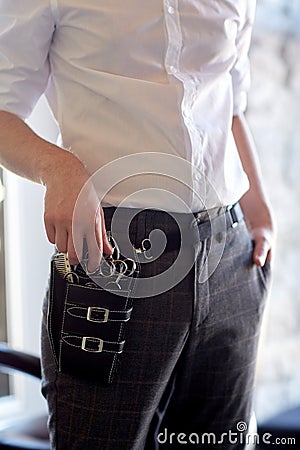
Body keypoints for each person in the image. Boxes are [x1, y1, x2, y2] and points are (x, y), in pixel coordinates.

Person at [0, 1, 274, 449]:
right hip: (114, 257)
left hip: (231, 254)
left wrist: (259, 210)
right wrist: (58, 168)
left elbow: (230, 98)